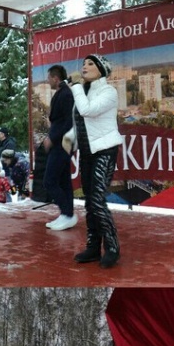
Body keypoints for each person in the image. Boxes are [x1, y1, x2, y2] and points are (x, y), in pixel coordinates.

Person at [63, 55, 123, 268]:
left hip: (105, 150)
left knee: (97, 199)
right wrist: (70, 137)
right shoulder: (84, 91)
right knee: (89, 200)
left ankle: (112, 247)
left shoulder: (109, 92)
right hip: (87, 151)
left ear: (101, 70)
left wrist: (76, 88)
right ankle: (93, 247)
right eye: (83, 64)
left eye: (90, 64)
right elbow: (80, 122)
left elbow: (88, 111)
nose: (84, 67)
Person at [42, 64, 76, 231]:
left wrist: (52, 138)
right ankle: (67, 215)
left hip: (62, 145)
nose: (47, 81)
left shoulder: (65, 94)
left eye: (49, 78)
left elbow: (68, 122)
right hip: (60, 144)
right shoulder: (62, 93)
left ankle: (67, 213)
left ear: (55, 78)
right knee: (64, 181)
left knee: (49, 181)